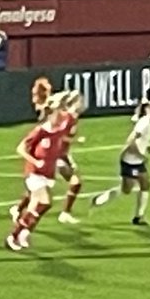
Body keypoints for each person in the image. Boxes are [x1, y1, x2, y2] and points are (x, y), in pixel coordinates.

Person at [6, 97, 67, 251]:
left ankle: (21, 233)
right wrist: (35, 161)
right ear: (50, 115)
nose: (59, 118)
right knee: (45, 202)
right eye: (57, 115)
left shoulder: (58, 132)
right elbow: (20, 148)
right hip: (34, 174)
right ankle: (14, 235)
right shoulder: (40, 131)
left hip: (48, 175)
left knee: (34, 209)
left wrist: (59, 163)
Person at [92, 98, 150, 223]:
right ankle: (103, 198)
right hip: (130, 160)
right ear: (147, 109)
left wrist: (148, 147)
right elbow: (130, 142)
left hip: (136, 161)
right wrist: (141, 156)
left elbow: (141, 141)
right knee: (128, 189)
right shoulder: (144, 123)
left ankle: (139, 217)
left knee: (144, 184)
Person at [56, 91, 86, 225]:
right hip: (55, 155)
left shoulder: (73, 118)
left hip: (63, 155)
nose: (82, 104)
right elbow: (59, 136)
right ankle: (64, 214)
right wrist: (76, 141)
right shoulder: (68, 118)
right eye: (80, 101)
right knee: (75, 182)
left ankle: (65, 213)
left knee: (76, 182)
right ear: (74, 103)